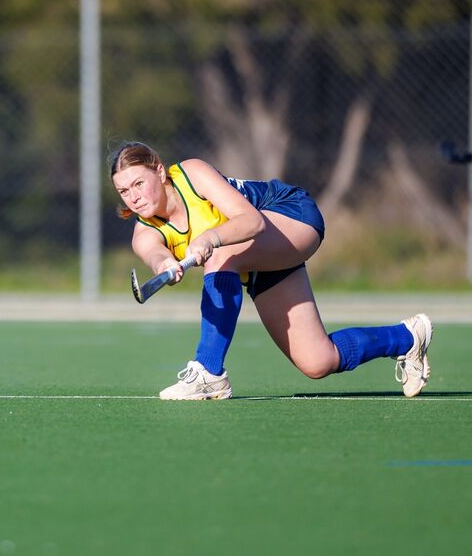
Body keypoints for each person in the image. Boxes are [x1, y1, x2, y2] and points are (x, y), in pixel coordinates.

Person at [109, 141, 432, 400]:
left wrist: (211, 237)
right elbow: (154, 253)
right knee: (318, 361)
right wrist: (164, 263)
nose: (134, 197)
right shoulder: (145, 232)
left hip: (289, 215)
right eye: (124, 191)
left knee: (220, 257)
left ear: (160, 172)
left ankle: (208, 373)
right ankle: (407, 337)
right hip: (255, 259)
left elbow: (252, 222)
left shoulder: (191, 173)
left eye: (139, 183)